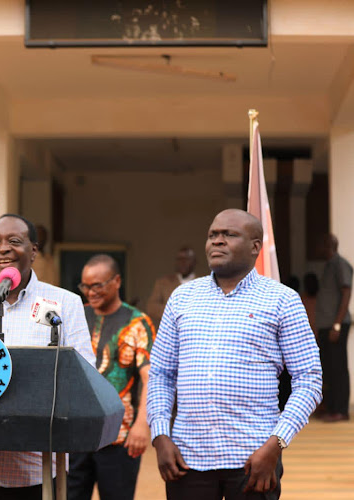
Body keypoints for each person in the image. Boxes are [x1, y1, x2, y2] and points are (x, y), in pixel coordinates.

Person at [147, 209, 322, 500]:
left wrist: (276, 444)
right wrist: (161, 435)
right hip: (187, 458)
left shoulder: (282, 300)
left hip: (254, 459)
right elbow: (161, 374)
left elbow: (309, 379)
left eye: (228, 235)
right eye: (212, 235)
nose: (217, 241)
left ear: (255, 246)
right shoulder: (182, 297)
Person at [0, 214, 95, 499]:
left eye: (14, 241)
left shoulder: (65, 303)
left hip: (34, 470)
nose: (2, 248)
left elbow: (84, 372)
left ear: (34, 251)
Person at [68, 254, 155, 500]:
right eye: (85, 286)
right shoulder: (75, 316)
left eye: (97, 285)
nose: (90, 292)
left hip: (120, 437)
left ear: (117, 281)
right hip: (76, 434)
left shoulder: (138, 322)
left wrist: (141, 425)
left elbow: (150, 377)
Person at [315, 233, 353, 423]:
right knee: (328, 367)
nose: (317, 248)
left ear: (329, 245)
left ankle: (341, 410)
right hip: (326, 326)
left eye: (320, 244)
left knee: (338, 368)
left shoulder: (340, 264)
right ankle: (331, 407)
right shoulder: (328, 266)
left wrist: (337, 325)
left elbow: (346, 292)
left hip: (336, 326)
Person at [146, 246, 196, 329]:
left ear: (194, 261)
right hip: (169, 333)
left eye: (186, 259)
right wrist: (176, 312)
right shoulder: (163, 283)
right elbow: (151, 308)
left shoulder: (204, 282)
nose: (182, 262)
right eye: (179, 259)